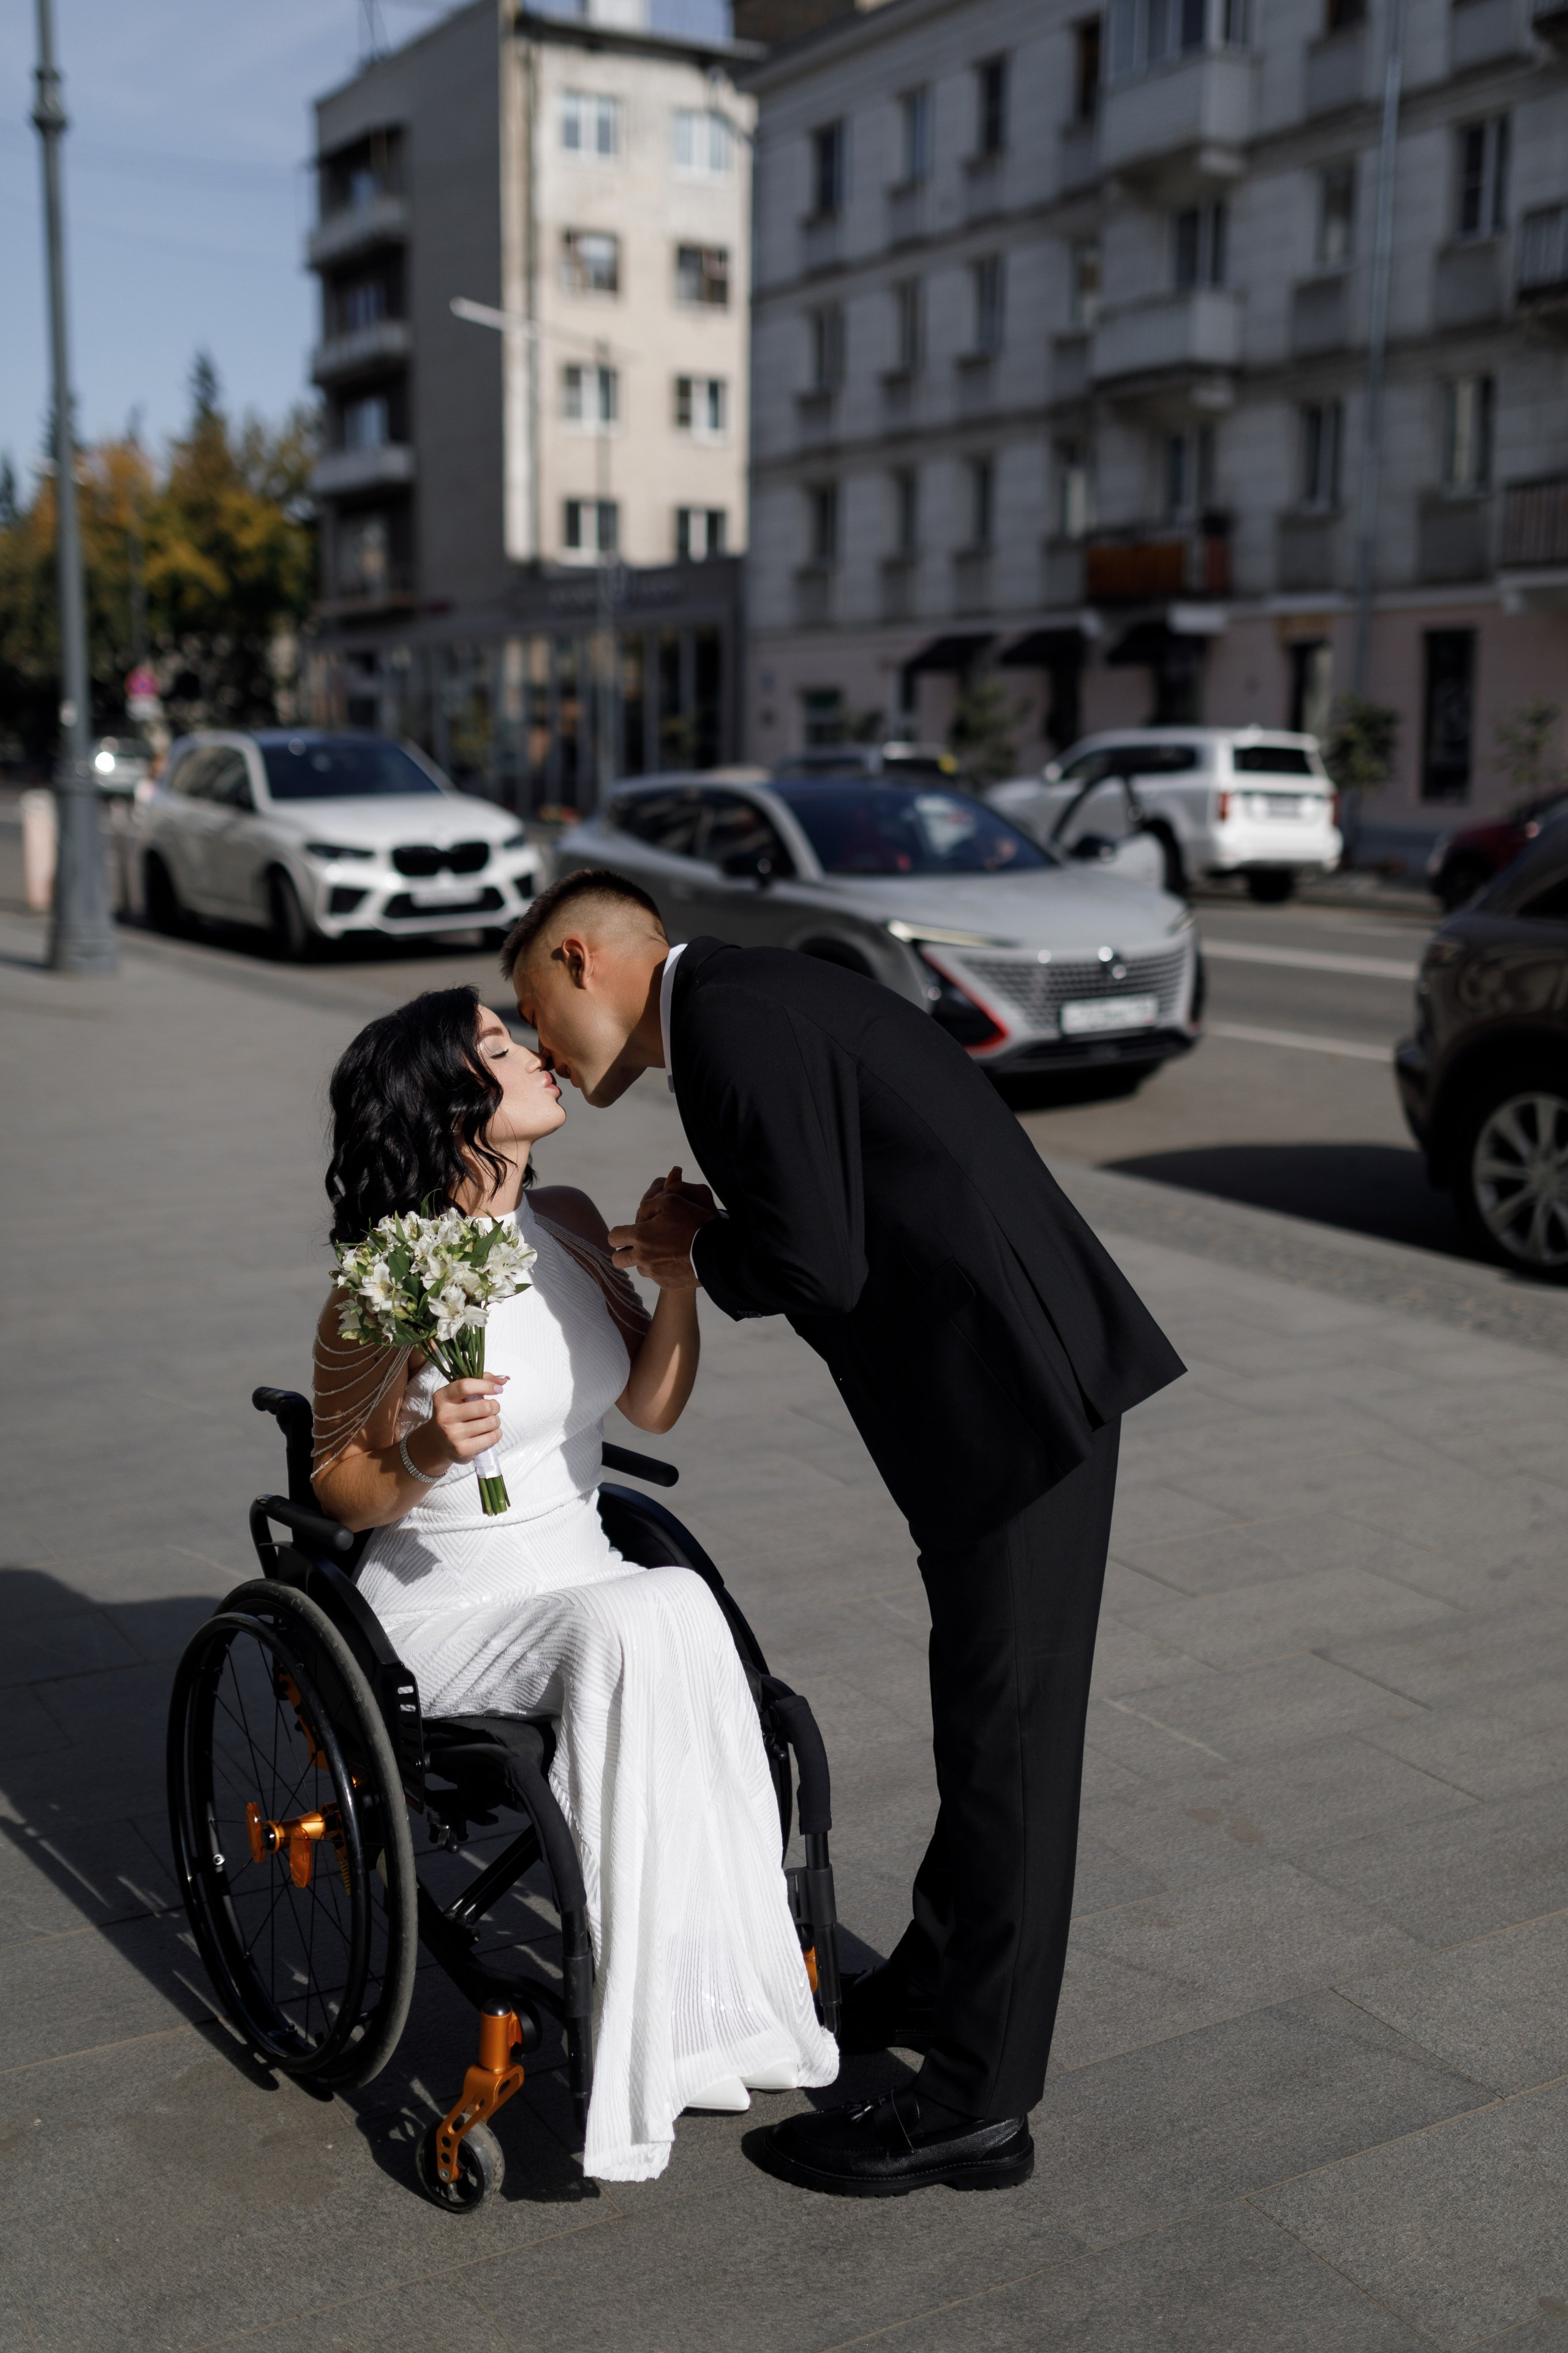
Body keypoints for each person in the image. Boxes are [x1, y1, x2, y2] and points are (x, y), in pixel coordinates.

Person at [505, 871, 1185, 2199]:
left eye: (535, 1008)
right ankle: (937, 1975)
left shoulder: (732, 1021)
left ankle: (976, 2102)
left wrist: (699, 1257)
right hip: (987, 1399)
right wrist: (709, 1234)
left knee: (1012, 1747)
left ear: (582, 958)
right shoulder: (740, 1004)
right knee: (981, 1721)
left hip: (1016, 1400)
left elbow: (816, 1261)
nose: (537, 1046)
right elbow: (843, 1210)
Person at [311, 984, 838, 2184]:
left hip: (581, 1567)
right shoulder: (389, 1271)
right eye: (499, 1046)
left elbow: (648, 1405)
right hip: (445, 1601)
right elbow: (339, 1483)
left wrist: (681, 1277)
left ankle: (715, 1997)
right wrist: (431, 1446)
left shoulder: (562, 1213)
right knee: (640, 1613)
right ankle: (644, 2005)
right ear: (451, 1105)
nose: (536, 1051)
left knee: (668, 1602)